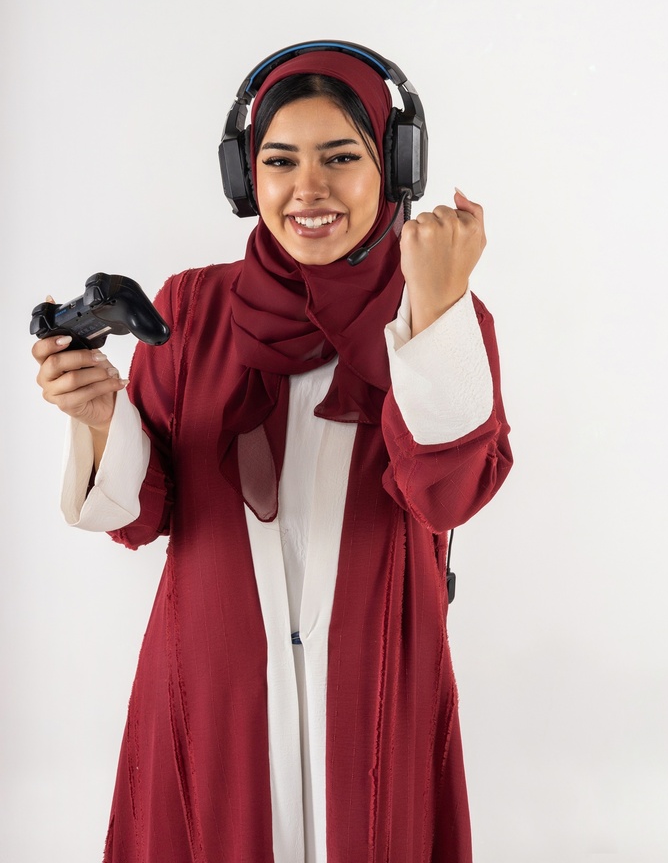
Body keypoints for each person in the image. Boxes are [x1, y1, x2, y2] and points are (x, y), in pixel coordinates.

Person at [33, 43, 512, 863]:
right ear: (244, 178)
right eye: (279, 160)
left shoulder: (428, 310)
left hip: (378, 676)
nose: (308, 189)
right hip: (209, 677)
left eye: (341, 158)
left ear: (396, 170)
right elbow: (139, 515)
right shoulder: (190, 308)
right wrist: (101, 413)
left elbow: (449, 494)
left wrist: (438, 304)